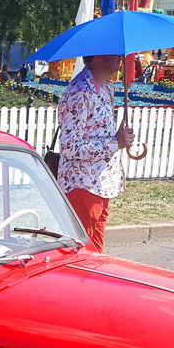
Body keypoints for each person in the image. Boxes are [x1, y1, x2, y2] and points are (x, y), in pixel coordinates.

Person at [57, 54, 134, 253]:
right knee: (81, 253)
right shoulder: (79, 92)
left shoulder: (107, 87)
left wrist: (118, 137)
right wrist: (114, 142)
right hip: (82, 186)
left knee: (95, 253)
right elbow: (69, 146)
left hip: (101, 184)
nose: (120, 57)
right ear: (98, 56)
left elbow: (97, 132)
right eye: (114, 52)